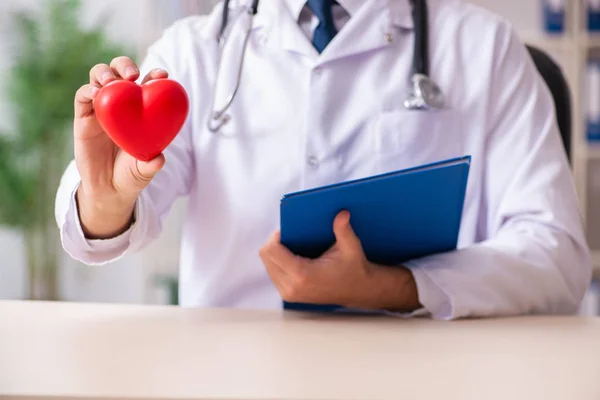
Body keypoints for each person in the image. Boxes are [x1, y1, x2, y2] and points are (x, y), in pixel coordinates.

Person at [55, 0, 592, 320]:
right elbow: (109, 224)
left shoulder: (484, 47)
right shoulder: (196, 50)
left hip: (422, 371)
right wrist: (106, 199)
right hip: (231, 376)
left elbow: (557, 257)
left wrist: (395, 287)